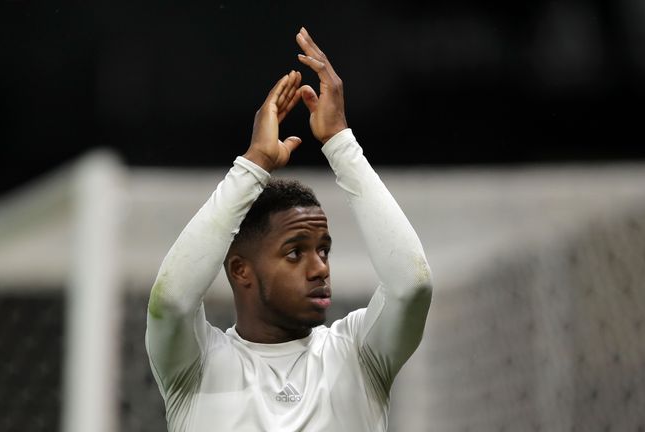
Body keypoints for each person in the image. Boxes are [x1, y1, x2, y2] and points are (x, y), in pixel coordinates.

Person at [146, 27, 433, 431]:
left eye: (324, 250)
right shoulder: (197, 366)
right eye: (295, 252)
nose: (320, 269)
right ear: (240, 269)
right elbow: (170, 301)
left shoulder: (357, 354)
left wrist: (339, 142)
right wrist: (253, 164)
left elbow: (411, 285)